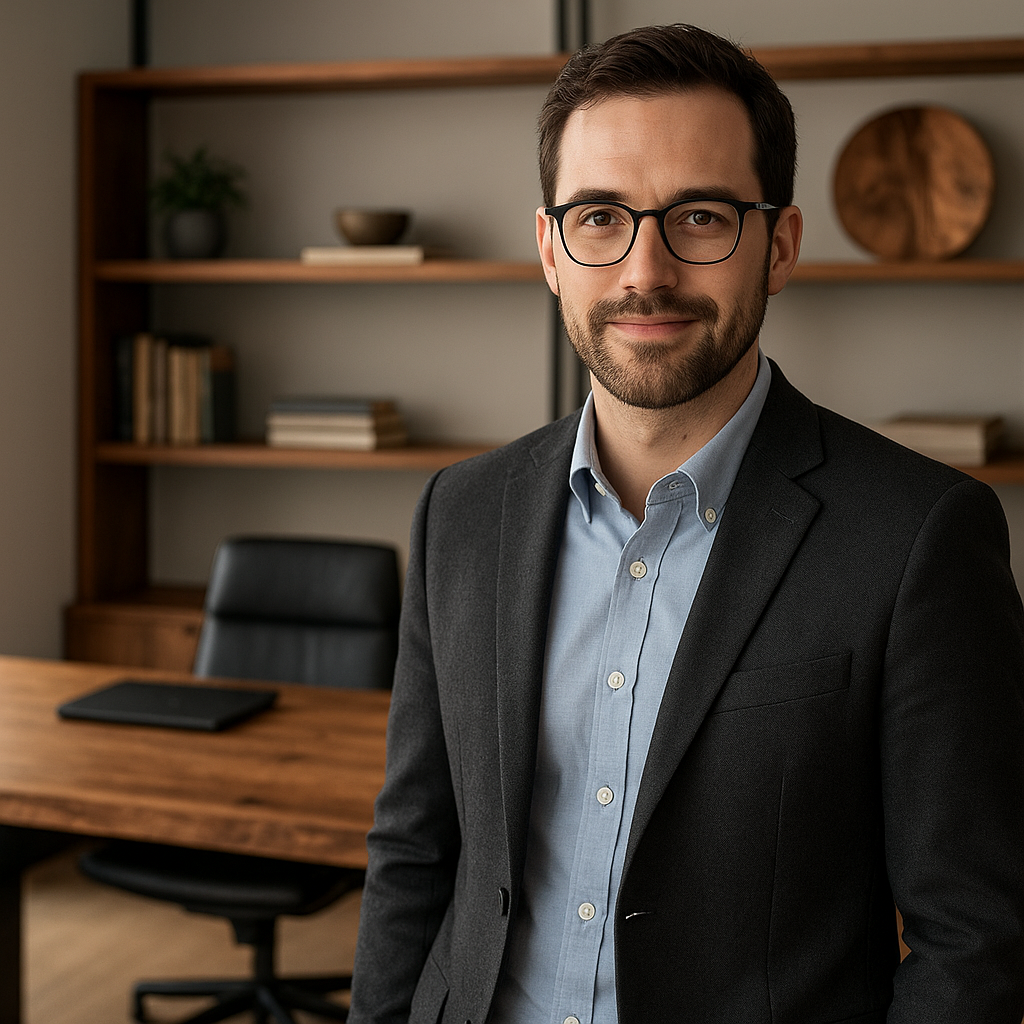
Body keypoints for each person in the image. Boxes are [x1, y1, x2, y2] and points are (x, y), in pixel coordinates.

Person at [349, 23, 1024, 1024]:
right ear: (549, 249)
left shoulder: (920, 535)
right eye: (599, 217)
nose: (644, 270)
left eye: (699, 216)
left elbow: (972, 935)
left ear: (779, 244)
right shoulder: (462, 511)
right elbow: (416, 850)